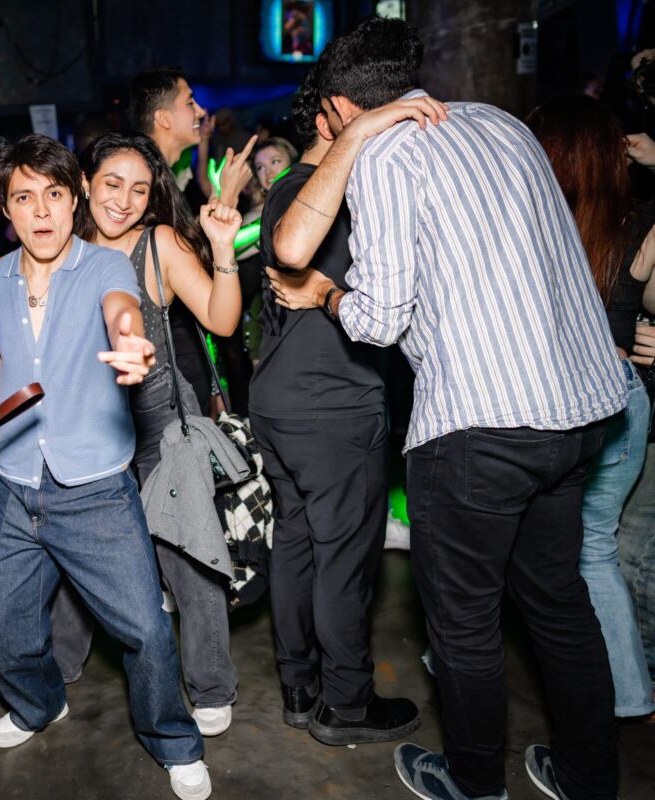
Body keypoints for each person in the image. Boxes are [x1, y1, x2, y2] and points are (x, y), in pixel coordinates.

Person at [277, 17, 625, 800]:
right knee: (559, 605)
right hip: (577, 406)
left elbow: (379, 318)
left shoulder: (383, 157)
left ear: (340, 109)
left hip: (480, 423)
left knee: (465, 625)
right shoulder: (502, 123)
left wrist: (326, 296)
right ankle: (588, 778)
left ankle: (474, 784)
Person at [0, 134, 211, 800]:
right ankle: (40, 704)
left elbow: (123, 312)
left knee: (145, 629)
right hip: (15, 487)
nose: (41, 211)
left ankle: (174, 742)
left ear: (75, 200)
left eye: (54, 195)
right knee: (2, 639)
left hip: (95, 490)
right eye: (24, 197)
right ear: (6, 208)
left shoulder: (104, 268)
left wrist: (132, 342)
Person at [251, 76, 445, 746]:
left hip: (279, 400)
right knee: (343, 561)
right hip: (332, 405)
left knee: (295, 544)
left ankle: (299, 688)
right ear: (331, 119)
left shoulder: (285, 189)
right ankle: (348, 704)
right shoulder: (336, 191)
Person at [527, 94, 655, 719]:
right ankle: (628, 697)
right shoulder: (640, 224)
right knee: (593, 548)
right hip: (621, 395)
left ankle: (459, 664)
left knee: (509, 539)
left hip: (552, 393)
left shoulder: (527, 220)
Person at [130, 67, 256, 412]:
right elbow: (181, 265)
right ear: (163, 118)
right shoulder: (144, 182)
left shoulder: (163, 175)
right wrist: (227, 198)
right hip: (166, 358)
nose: (201, 111)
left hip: (182, 345)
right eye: (190, 103)